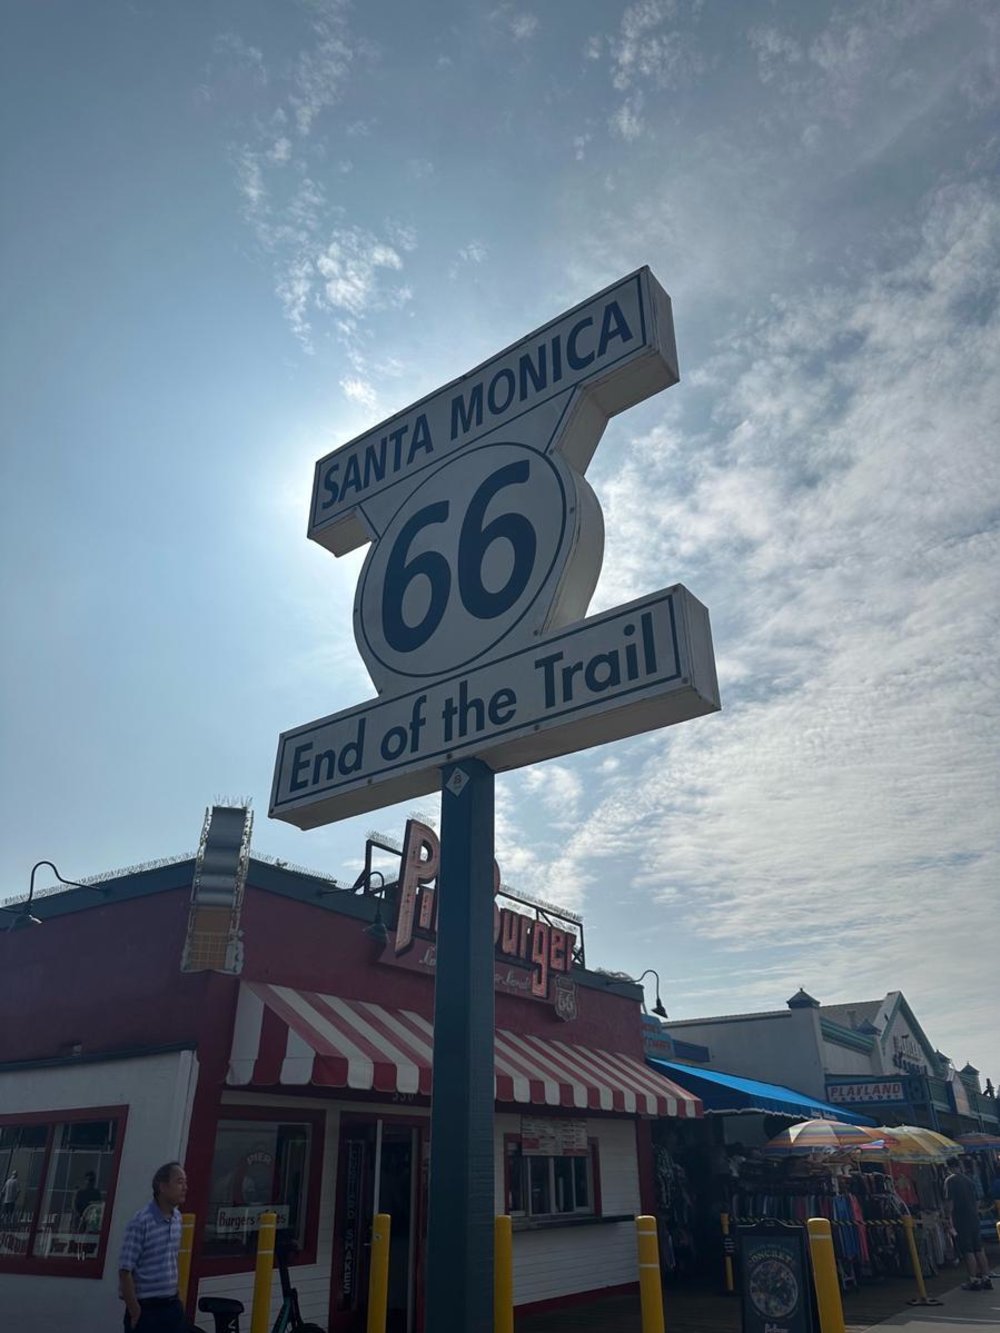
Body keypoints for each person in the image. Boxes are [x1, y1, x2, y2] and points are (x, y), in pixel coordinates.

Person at [118, 1161, 188, 1331]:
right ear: (162, 1187)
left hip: (172, 1306)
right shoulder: (141, 1222)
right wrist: (135, 1311)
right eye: (179, 1182)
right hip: (147, 1309)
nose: (185, 1187)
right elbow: (125, 1270)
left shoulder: (178, 1218)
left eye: (185, 1182)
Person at [943, 1157, 991, 1291]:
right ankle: (986, 1278)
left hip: (961, 1219)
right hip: (974, 1218)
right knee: (979, 1248)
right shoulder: (969, 1180)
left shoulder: (950, 1181)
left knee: (968, 1250)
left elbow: (949, 1202)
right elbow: (977, 1201)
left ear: (948, 1167)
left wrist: (948, 1218)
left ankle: (973, 1280)